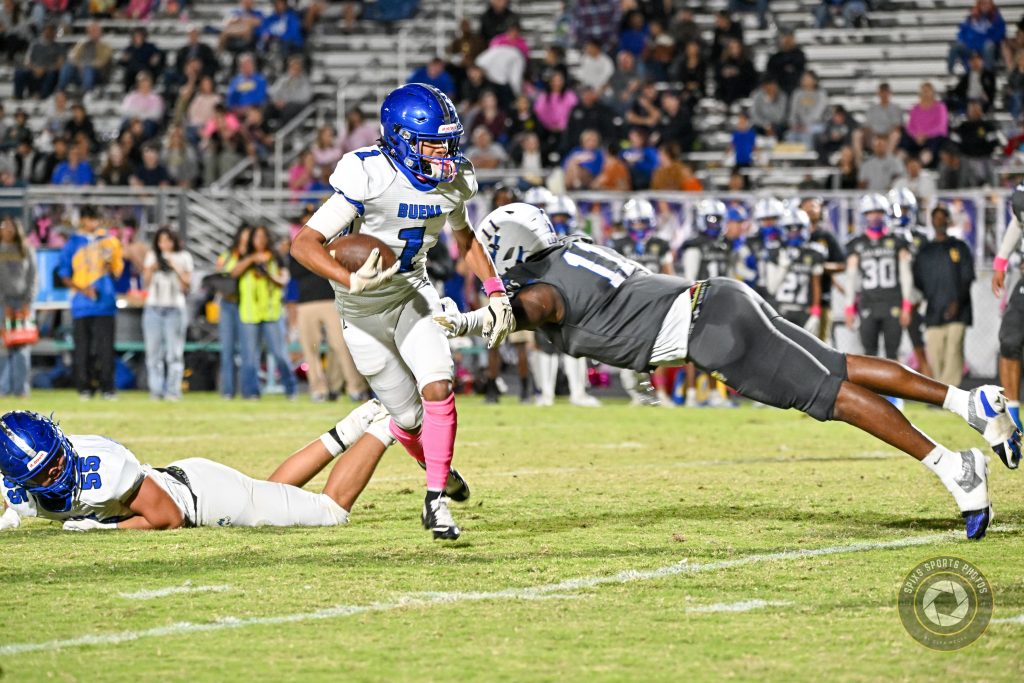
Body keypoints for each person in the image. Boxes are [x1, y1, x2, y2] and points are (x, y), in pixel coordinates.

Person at [437, 203, 1023, 540]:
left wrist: (457, 323)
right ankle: (969, 403)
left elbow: (512, 313)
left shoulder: (541, 291)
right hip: (716, 302)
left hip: (712, 331)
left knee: (831, 395)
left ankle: (955, 467)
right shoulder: (572, 251)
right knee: (839, 366)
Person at [290, 83, 514, 541]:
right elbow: (303, 243)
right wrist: (348, 277)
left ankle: (435, 500)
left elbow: (466, 238)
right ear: (401, 139)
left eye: (448, 143)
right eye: (433, 144)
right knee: (408, 420)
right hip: (359, 309)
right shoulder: (369, 173)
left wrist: (496, 291)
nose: (445, 155)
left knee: (438, 384)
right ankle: (438, 468)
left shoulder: (454, 180)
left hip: (411, 292)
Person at [0, 401, 469, 531]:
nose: (57, 472)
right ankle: (353, 425)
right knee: (268, 492)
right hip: (196, 484)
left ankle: (386, 424)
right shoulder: (18, 490)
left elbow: (167, 518)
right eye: (42, 473)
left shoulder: (103, 466)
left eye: (57, 459)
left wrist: (104, 531)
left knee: (330, 512)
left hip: (199, 499)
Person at [288, 216, 367, 403]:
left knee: (341, 345)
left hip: (332, 300)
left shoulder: (336, 243)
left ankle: (354, 388)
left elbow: (342, 267)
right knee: (310, 349)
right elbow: (295, 271)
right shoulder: (299, 244)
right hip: (306, 303)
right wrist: (322, 260)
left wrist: (315, 258)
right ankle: (318, 390)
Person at [844, 194, 913, 392]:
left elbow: (905, 274)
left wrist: (906, 304)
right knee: (869, 353)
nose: (874, 216)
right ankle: (872, 393)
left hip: (892, 301)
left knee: (893, 352)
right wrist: (849, 307)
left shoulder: (897, 240)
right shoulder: (857, 243)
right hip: (868, 302)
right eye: (870, 212)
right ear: (864, 215)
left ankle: (895, 394)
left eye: (878, 212)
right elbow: (851, 277)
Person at [57, 205, 124, 400]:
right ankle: (84, 388)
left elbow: (117, 272)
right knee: (83, 348)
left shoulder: (110, 242)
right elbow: (64, 274)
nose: (93, 223)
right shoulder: (73, 243)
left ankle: (108, 388)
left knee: (106, 349)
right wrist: (83, 289)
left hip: (105, 303)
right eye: (89, 219)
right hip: (81, 304)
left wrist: (109, 265)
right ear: (83, 220)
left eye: (96, 219)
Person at [233, 225, 296, 400]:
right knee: (249, 356)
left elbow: (284, 280)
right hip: (249, 313)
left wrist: (268, 273)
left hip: (271, 313)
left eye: (263, 236)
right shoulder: (244, 257)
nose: (260, 240)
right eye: (257, 236)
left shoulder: (276, 258)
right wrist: (251, 259)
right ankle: (251, 392)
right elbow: (233, 273)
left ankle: (291, 389)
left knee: (280, 354)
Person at [913, 206, 974, 388]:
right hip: (933, 311)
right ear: (932, 222)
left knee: (954, 353)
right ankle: (939, 393)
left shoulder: (960, 247)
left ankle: (951, 392)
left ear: (949, 221)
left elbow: (967, 278)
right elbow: (918, 281)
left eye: (943, 218)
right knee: (935, 354)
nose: (939, 221)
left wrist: (957, 302)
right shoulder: (925, 251)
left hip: (959, 311)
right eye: (936, 218)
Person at [142, 228, 193, 401]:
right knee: (153, 353)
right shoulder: (152, 256)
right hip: (154, 307)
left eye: (168, 240)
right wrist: (152, 268)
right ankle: (156, 391)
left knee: (174, 353)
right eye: (161, 241)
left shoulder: (184, 257)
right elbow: (145, 283)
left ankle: (173, 391)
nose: (165, 244)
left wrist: (175, 266)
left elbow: (187, 285)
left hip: (175, 308)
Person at [0, 217, 35, 397]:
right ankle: (3, 389)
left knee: (22, 346)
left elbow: (33, 277)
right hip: (2, 303)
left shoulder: (26, 249)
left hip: (23, 304)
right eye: (4, 226)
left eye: (10, 226)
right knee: (3, 346)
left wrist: (27, 302)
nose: (7, 229)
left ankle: (21, 389)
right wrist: (3, 303)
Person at [215, 225, 250, 398]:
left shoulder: (255, 256)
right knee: (227, 350)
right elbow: (220, 272)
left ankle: (247, 390)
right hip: (228, 304)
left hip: (247, 304)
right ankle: (228, 390)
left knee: (247, 351)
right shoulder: (228, 255)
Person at [948, 0, 1005, 73]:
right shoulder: (971, 17)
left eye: (988, 3)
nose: (985, 6)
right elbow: (962, 33)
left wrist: (988, 40)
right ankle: (950, 71)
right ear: (979, 4)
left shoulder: (996, 18)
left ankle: (988, 72)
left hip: (984, 48)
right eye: (983, 3)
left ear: (991, 5)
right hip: (970, 47)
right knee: (955, 46)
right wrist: (966, 43)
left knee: (989, 45)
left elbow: (1000, 33)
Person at [57, 21, 112, 94]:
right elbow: (72, 57)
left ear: (100, 32)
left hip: (97, 74)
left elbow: (102, 62)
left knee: (88, 68)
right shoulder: (82, 43)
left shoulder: (106, 46)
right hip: (80, 71)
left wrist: (85, 65)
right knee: (67, 66)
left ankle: (87, 93)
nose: (92, 33)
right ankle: (60, 92)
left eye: (95, 31)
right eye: (90, 31)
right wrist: (79, 64)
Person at [13, 22, 63, 99]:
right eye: (47, 31)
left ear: (54, 33)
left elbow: (60, 64)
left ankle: (42, 96)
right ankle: (18, 96)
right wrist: (35, 69)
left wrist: (44, 69)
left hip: (48, 72)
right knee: (19, 72)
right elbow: (27, 61)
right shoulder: (34, 45)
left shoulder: (58, 47)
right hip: (34, 70)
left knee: (52, 74)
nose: (48, 33)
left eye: (51, 31)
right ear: (43, 32)